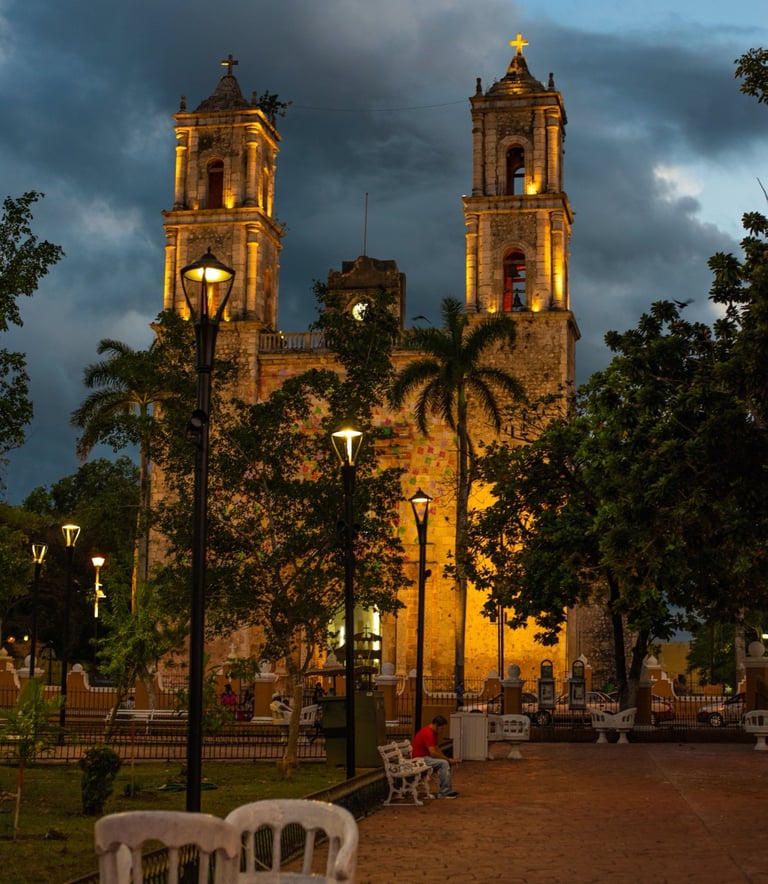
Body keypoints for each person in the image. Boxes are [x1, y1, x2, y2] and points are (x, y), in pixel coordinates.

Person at [412, 714, 459, 798]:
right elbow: (433, 753)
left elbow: (437, 749)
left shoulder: (434, 733)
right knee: (444, 763)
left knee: (445, 762)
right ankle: (445, 791)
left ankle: (446, 789)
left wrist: (447, 758)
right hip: (420, 759)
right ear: (436, 725)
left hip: (425, 757)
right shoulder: (428, 733)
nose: (442, 731)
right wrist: (448, 760)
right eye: (442, 728)